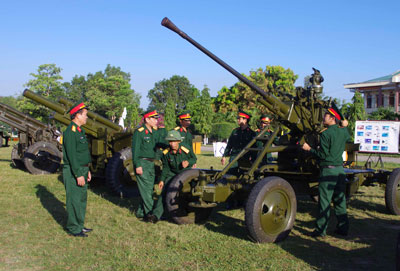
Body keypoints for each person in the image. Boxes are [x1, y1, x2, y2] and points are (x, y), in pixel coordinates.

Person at [302, 106, 350, 238]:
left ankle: (320, 230)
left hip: (328, 171)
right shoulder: (342, 132)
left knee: (324, 202)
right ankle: (343, 228)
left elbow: (322, 155)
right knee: (340, 201)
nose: (323, 118)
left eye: (326, 116)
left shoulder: (325, 134)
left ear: (332, 118)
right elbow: (347, 134)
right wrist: (344, 125)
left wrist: (309, 149)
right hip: (340, 171)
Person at [152, 130, 197, 222]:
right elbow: (166, 168)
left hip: (185, 173)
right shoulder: (166, 153)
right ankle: (156, 215)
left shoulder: (186, 149)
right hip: (172, 174)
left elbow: (194, 158)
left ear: (179, 141)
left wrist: (188, 162)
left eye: (174, 141)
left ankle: (189, 212)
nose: (172, 144)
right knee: (164, 192)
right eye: (170, 141)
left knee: (190, 192)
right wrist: (162, 180)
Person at [62, 101, 92, 237]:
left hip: (83, 169)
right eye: (85, 115)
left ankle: (79, 225)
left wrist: (87, 170)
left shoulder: (80, 131)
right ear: (77, 116)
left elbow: (82, 154)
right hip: (75, 170)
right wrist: (78, 174)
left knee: (81, 199)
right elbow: (72, 156)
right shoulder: (70, 132)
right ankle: (74, 228)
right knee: (74, 199)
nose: (86, 117)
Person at [132, 110, 160, 223]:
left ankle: (140, 212)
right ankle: (150, 214)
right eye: (154, 118)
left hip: (151, 163)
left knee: (148, 189)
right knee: (147, 190)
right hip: (142, 163)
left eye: (156, 118)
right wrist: (137, 165)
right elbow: (135, 150)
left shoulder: (153, 132)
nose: (156, 120)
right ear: (147, 119)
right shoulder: (139, 132)